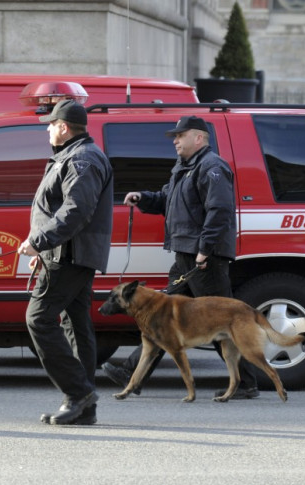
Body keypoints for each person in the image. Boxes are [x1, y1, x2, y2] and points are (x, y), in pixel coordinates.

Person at [103, 115, 260, 399]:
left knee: (219, 320)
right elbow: (167, 199)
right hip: (185, 255)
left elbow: (219, 210)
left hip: (203, 258)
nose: (175, 140)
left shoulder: (212, 167)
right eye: (174, 136)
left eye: (180, 135)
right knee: (159, 316)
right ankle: (132, 374)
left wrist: (205, 249)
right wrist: (144, 198)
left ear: (198, 138)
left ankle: (247, 383)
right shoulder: (184, 168)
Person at [18, 99, 113, 425]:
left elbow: (76, 210)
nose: (46, 129)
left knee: (39, 319)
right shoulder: (72, 156)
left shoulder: (82, 159)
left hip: (68, 255)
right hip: (64, 253)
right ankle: (84, 407)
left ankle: (78, 393)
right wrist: (43, 250)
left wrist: (40, 242)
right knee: (76, 326)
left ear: (63, 127)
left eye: (50, 124)